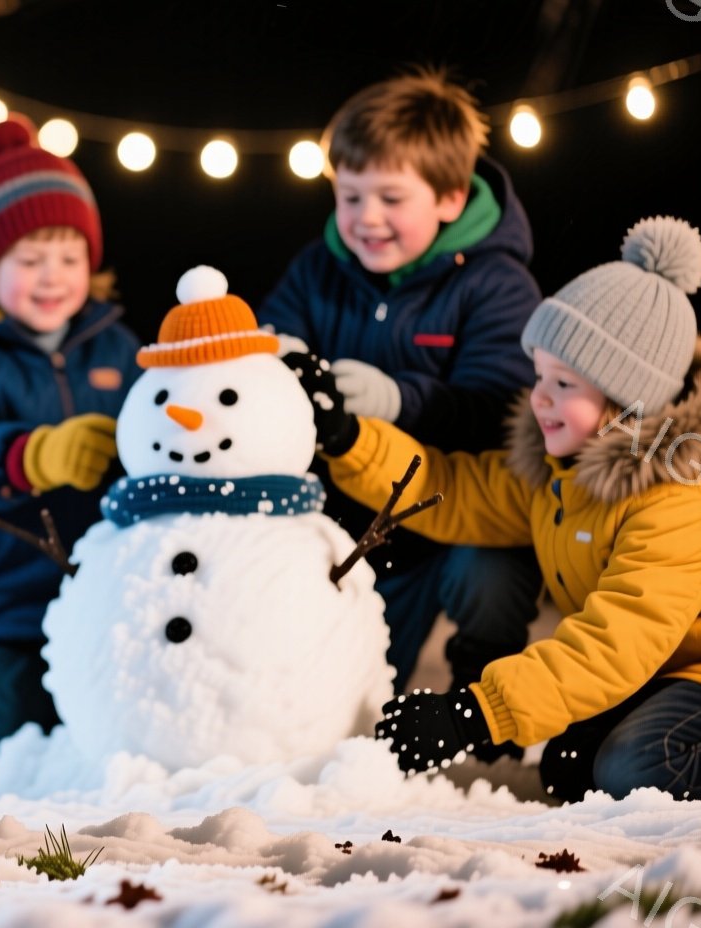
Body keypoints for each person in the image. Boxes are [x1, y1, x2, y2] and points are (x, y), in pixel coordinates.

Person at [292, 216, 701, 801]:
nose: (539, 396)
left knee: (636, 767)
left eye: (565, 384)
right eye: (539, 373)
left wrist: (473, 713)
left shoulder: (679, 496)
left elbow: (617, 640)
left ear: (629, 402)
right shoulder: (559, 471)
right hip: (661, 667)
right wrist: (349, 437)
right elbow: (454, 489)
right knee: (570, 770)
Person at [256, 68, 544, 708]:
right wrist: (279, 358)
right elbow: (276, 339)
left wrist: (398, 398)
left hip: (462, 508)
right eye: (350, 197)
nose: (366, 219)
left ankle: (482, 689)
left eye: (391, 198)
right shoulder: (318, 270)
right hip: (358, 516)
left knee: (488, 578)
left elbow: (500, 408)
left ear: (447, 197)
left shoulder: (497, 284)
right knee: (356, 689)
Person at [0, 114, 141, 768]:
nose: (53, 277)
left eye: (69, 258)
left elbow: (154, 425)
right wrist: (33, 454)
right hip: (0, 591)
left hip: (95, 584)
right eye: (30, 259)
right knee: (6, 734)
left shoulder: (116, 347)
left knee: (94, 722)